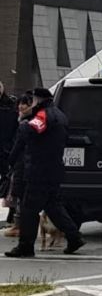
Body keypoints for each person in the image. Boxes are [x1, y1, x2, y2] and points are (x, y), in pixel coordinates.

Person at [5, 88, 85, 258]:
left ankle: (25, 246)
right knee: (53, 206)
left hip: (39, 171)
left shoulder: (43, 116)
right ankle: (74, 237)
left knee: (28, 209)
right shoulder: (60, 115)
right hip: (54, 169)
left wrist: (23, 125)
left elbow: (30, 131)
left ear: (38, 100)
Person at [2, 94, 32, 237]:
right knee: (14, 190)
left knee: (19, 192)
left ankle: (19, 225)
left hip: (21, 160)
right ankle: (16, 222)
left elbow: (20, 143)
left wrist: (11, 157)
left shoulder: (27, 122)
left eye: (24, 104)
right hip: (16, 158)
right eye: (20, 103)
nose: (21, 106)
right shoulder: (19, 118)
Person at [0, 82, 18, 225]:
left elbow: (16, 128)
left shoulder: (11, 105)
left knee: (9, 182)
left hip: (6, 150)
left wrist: (11, 147)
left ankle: (12, 213)